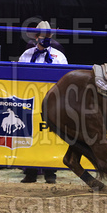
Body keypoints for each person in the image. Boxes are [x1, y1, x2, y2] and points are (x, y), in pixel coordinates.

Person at [19, 21, 67, 184]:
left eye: (48, 35)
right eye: (42, 35)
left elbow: (65, 80)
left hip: (51, 102)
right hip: (29, 102)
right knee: (30, 133)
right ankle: (30, 171)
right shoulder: (26, 55)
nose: (45, 38)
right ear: (36, 37)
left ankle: (50, 171)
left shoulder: (59, 56)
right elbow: (18, 77)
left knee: (50, 134)